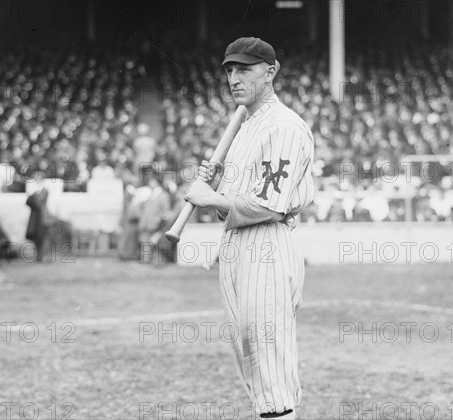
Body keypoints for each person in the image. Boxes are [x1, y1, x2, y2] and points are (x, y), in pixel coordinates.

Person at [184, 37, 314, 420]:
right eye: (230, 70)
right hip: (238, 245)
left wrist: (208, 199)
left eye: (245, 69)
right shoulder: (245, 126)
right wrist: (218, 182)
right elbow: (238, 202)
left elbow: (267, 206)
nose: (234, 79)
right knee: (250, 357)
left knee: (269, 362)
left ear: (271, 72)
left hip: (269, 246)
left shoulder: (285, 126)